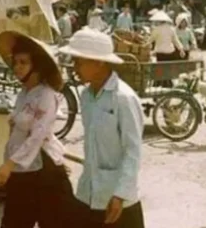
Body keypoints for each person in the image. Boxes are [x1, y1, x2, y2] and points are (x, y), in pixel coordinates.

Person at [59, 28, 145, 228]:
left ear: (99, 62)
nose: (74, 67)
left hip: (117, 200)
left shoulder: (123, 98)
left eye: (79, 61)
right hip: (87, 194)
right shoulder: (87, 97)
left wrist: (120, 194)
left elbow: (133, 151)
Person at [0, 31, 73, 228]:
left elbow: (37, 137)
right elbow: (17, 133)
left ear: (36, 66)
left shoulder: (46, 96)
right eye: (15, 62)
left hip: (43, 170)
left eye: (23, 62)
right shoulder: (24, 93)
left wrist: (8, 166)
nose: (17, 67)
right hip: (22, 170)